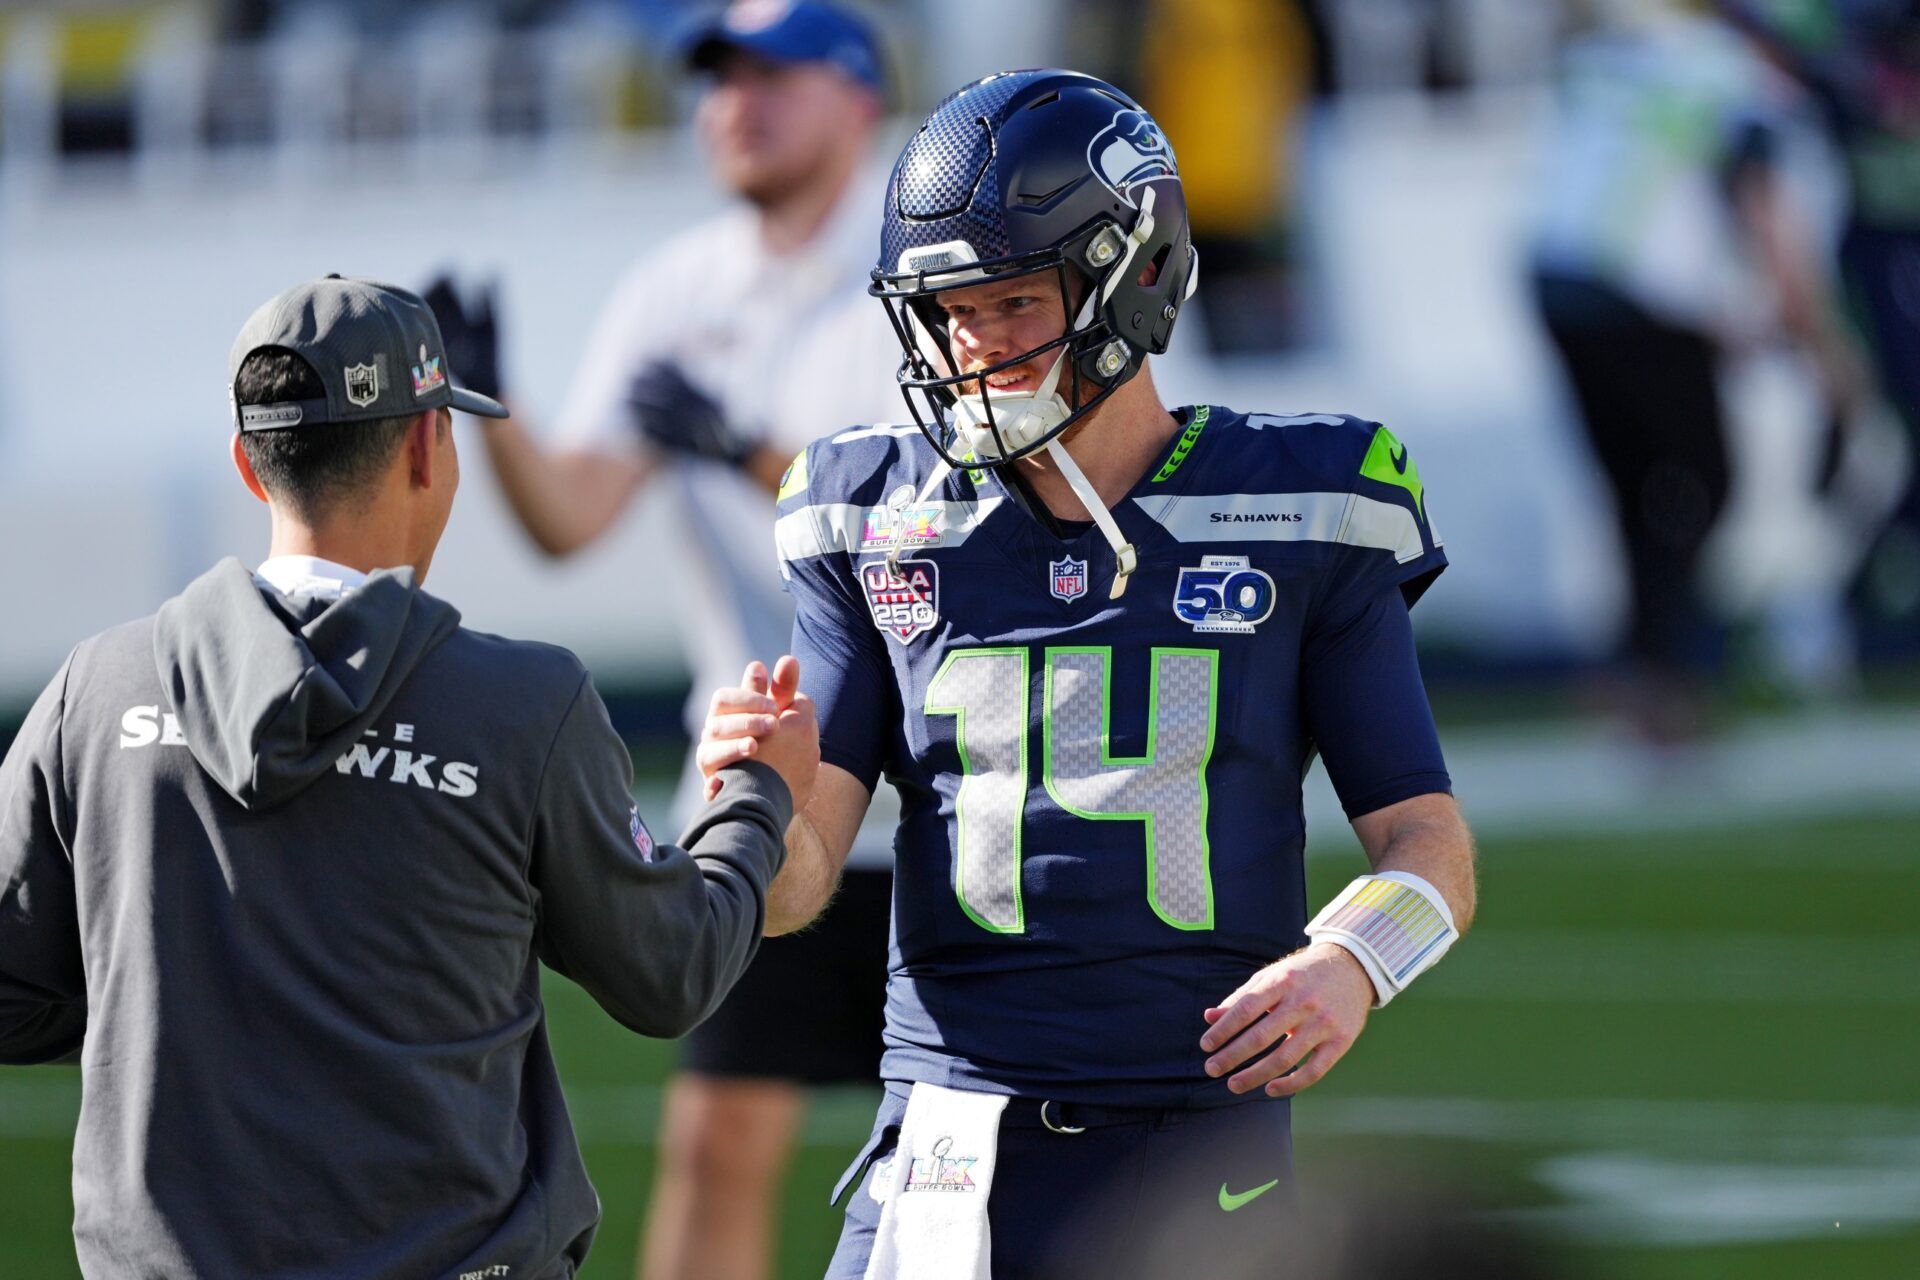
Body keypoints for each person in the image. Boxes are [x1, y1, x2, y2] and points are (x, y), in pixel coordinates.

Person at [702, 69, 1480, 1277]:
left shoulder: (1310, 505)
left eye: (1011, 299)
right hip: (947, 1143)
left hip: (1199, 1144)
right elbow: (804, 886)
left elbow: (1429, 841)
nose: (975, 343)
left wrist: (1352, 963)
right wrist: (761, 801)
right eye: (948, 306)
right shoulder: (871, 512)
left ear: (1139, 274)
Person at [0, 274, 818, 1280]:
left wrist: (187, 982)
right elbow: (673, 971)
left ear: (250, 467)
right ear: (433, 445)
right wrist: (757, 791)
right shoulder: (526, 705)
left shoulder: (95, 688)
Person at [423, 5, 902, 1278]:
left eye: (770, 77)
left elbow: (933, 520)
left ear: (860, 99)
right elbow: (572, 519)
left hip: (944, 781)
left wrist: (743, 449)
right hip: (763, 786)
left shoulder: (924, 266)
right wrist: (490, 403)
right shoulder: (676, 288)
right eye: (718, 79)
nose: (733, 104)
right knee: (715, 1143)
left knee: (987, 1147)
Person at [1529, 3, 1877, 735]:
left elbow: (1636, 173)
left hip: (1557, 277)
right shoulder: (1740, 82)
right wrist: (1827, 353)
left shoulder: (1637, 57)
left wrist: (1711, 311)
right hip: (1637, 291)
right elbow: (1762, 214)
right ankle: (1663, 671)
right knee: (1703, 481)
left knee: (1634, 488)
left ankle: (1635, 668)